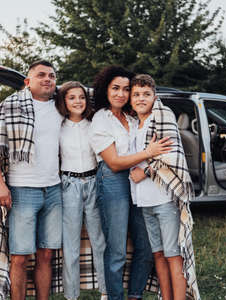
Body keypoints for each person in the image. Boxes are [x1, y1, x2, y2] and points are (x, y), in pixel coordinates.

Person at [0, 60, 63, 300]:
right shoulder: (10, 106)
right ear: (28, 81)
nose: (47, 79)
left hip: (54, 189)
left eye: (52, 75)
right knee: (20, 256)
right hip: (22, 189)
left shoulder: (62, 104)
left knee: (47, 254)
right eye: (41, 75)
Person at [89, 66, 172, 300]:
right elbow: (114, 162)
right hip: (113, 180)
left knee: (145, 246)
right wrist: (148, 152)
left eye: (126, 89)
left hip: (139, 181)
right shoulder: (100, 120)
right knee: (116, 249)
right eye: (115, 88)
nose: (121, 94)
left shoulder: (131, 117)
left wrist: (147, 161)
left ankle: (135, 295)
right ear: (105, 90)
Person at [128, 74, 201, 300]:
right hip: (145, 201)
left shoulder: (161, 116)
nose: (141, 99)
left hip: (164, 199)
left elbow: (170, 155)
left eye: (146, 94)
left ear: (155, 96)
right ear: (131, 98)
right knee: (158, 255)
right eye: (136, 94)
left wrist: (146, 172)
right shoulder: (135, 124)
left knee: (173, 255)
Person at [56, 81, 107, 300]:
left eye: (82, 97)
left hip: (94, 182)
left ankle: (106, 292)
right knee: (71, 244)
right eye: (72, 98)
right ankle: (71, 296)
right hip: (69, 185)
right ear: (64, 102)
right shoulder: (58, 127)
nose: (78, 101)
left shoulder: (94, 124)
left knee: (99, 241)